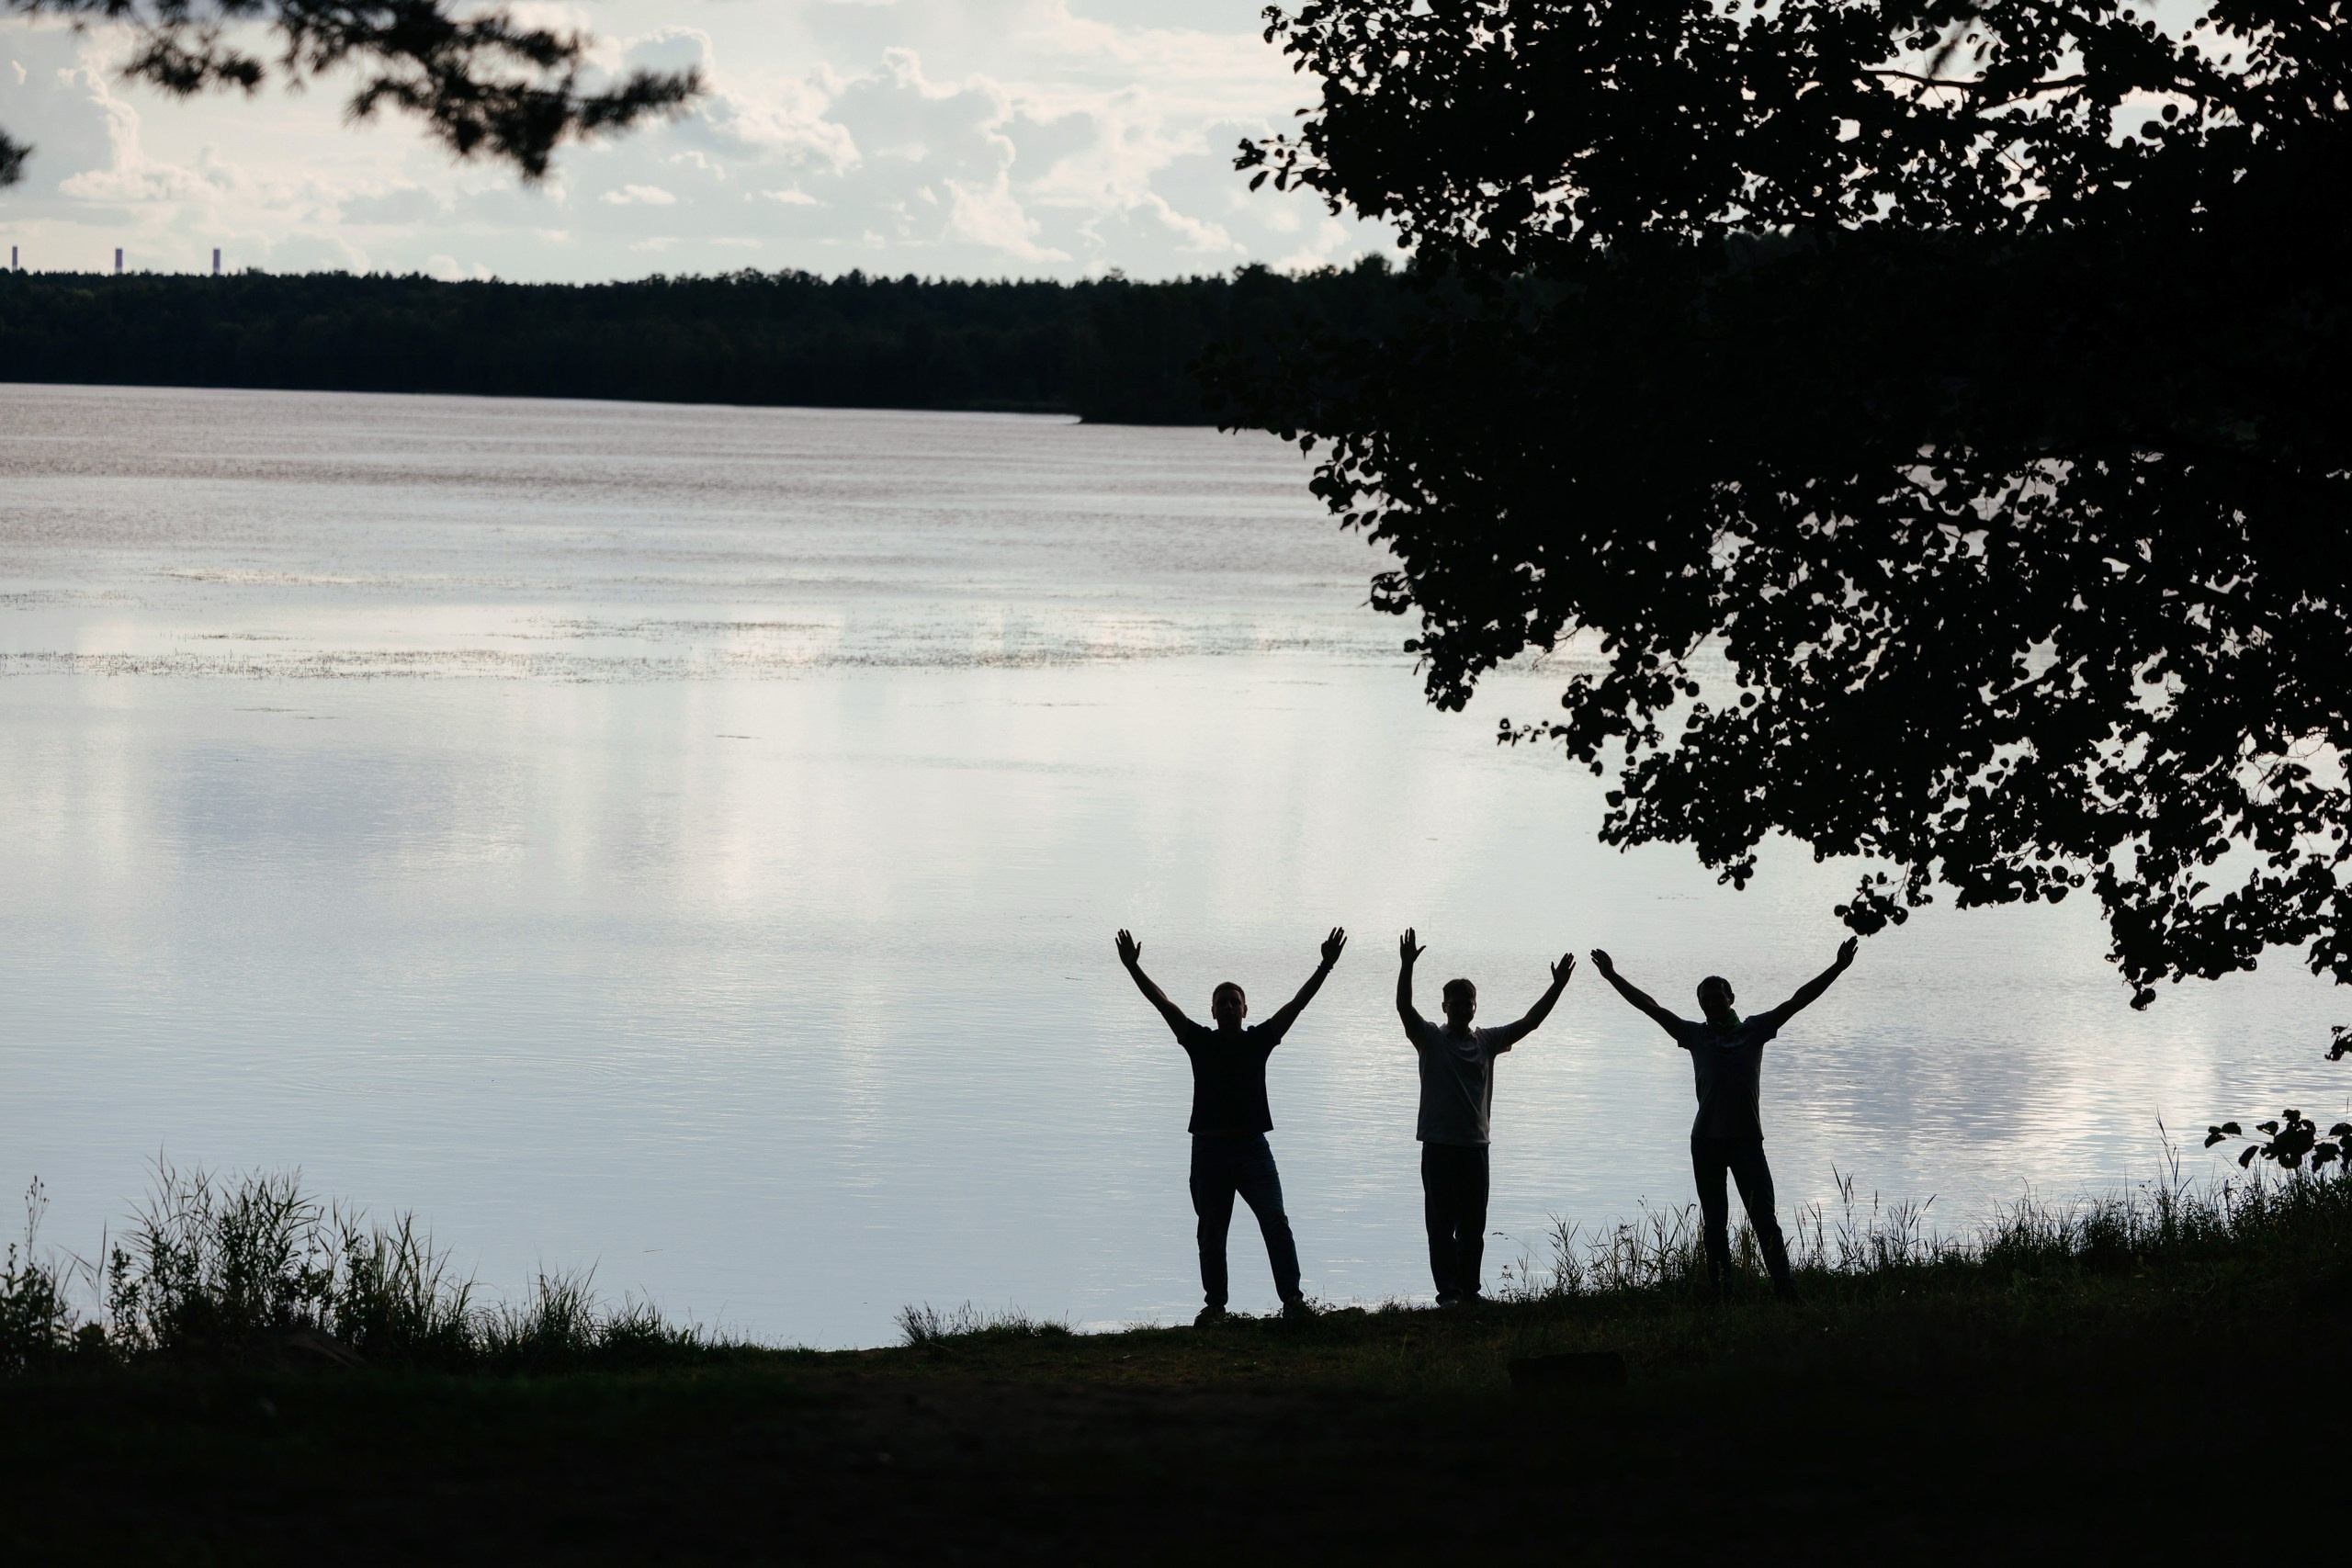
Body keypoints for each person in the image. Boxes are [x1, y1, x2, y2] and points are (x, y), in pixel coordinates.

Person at [1589, 938, 1859, 1302]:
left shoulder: (1755, 1029)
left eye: (1718, 996)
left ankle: (1785, 1290)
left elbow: (1798, 1000)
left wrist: (1838, 967)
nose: (1713, 1002)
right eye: (1706, 998)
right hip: (1706, 1142)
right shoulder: (1694, 1035)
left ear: (1731, 998)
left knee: (1764, 1220)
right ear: (1700, 1004)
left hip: (1747, 1141)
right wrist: (1612, 976)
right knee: (1715, 1224)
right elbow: (1650, 1006)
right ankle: (1721, 1293)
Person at [1116, 926, 1345, 1325]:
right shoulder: (1198, 1040)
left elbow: (1298, 1004)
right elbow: (1163, 1004)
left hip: (1253, 1149)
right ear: (1212, 1011)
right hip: (1209, 1151)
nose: (1226, 1007)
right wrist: (1134, 969)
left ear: (1244, 1010)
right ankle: (1216, 1307)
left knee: (1276, 1222)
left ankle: (1292, 1301)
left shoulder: (1260, 1040)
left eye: (1233, 1002)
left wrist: (1325, 966)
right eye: (1220, 1002)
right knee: (1211, 1233)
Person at [1395, 929, 1575, 1306]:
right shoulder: (1429, 1038)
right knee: (1441, 1227)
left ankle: (1470, 1292)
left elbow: (1530, 1022)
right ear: (1444, 1007)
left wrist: (1556, 988)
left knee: (1473, 1227)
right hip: (1439, 1146)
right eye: (1455, 1003)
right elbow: (1404, 1009)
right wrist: (1407, 966)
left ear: (1476, 1006)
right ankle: (1449, 1294)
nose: (1462, 1009)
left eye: (1468, 1003)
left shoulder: (1487, 1041)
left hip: (1476, 1148)